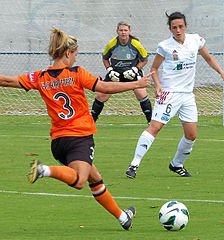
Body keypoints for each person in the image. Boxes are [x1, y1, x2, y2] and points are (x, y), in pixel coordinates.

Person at [0, 27, 152, 230]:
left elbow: (6, 81)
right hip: (79, 138)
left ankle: (123, 218)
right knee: (80, 180)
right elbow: (104, 87)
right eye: (75, 55)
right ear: (67, 53)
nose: (74, 59)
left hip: (58, 142)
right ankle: (44, 170)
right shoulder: (76, 73)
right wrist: (136, 83)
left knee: (95, 179)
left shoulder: (40, 76)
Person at [125, 12, 224, 179]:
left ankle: (176, 164)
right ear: (170, 29)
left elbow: (209, 58)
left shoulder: (196, 40)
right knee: (155, 127)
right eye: (174, 27)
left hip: (187, 96)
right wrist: (157, 85)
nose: (178, 30)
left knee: (191, 135)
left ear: (186, 26)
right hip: (169, 93)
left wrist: (221, 72)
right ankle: (134, 164)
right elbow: (154, 68)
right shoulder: (165, 46)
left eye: (181, 26)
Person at [91, 21, 152, 123]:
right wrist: (110, 70)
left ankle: (150, 121)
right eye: (121, 30)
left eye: (125, 30)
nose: (123, 32)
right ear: (117, 31)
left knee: (141, 94)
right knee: (101, 95)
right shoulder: (111, 44)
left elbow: (145, 60)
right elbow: (105, 58)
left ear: (129, 31)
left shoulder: (136, 44)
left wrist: (135, 69)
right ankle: (91, 121)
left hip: (132, 73)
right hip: (116, 74)